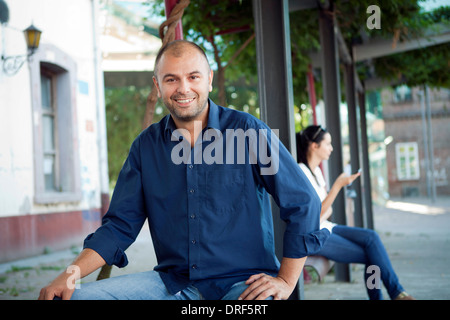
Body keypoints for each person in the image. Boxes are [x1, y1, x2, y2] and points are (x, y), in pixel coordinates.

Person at [39, 40, 330, 300]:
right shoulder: (146, 147)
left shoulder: (248, 132)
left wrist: (285, 280)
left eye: (193, 77)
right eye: (171, 79)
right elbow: (118, 226)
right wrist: (70, 274)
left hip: (245, 285)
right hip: (173, 286)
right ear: (157, 85)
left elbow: (303, 202)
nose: (183, 88)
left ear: (209, 80)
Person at [296, 125, 415, 300]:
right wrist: (337, 185)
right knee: (371, 255)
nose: (331, 148)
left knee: (371, 237)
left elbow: (326, 211)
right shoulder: (302, 171)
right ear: (314, 146)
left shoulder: (316, 172)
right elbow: (318, 214)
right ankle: (395, 293)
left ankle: (395, 292)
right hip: (315, 235)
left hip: (326, 227)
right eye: (328, 144)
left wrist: (324, 207)